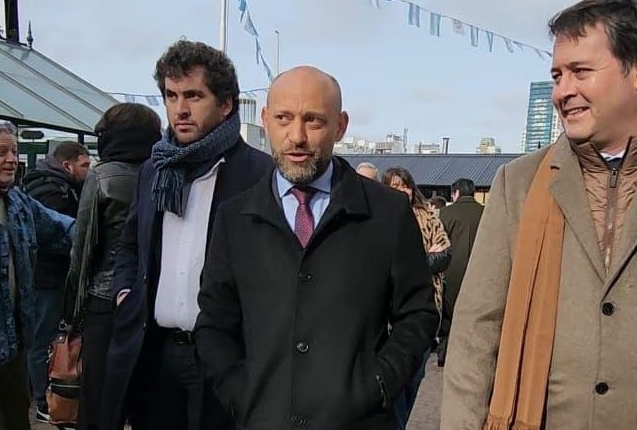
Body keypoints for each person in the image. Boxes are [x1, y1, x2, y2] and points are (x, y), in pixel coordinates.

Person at [441, 0, 637, 429]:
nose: (562, 91)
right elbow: (476, 330)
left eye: (580, 71)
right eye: (557, 75)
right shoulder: (520, 183)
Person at [194, 66, 438, 430]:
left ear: (340, 126)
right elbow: (214, 322)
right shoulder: (235, 218)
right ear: (265, 120)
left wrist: (378, 386)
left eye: (313, 120)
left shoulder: (387, 213)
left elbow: (418, 315)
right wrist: (239, 394)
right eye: (284, 118)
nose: (297, 136)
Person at [101, 41, 271, 430]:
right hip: (155, 350)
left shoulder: (259, 175)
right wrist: (125, 292)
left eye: (194, 96)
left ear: (225, 104)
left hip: (226, 355)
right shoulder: (154, 169)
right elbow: (130, 245)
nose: (180, 108)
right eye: (171, 95)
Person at [63, 103, 162, 430]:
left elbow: (83, 250)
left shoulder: (102, 175)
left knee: (99, 403)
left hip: (105, 302)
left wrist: (72, 315)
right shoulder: (163, 172)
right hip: (151, 302)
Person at [0, 121, 74, 430]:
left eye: (14, 151)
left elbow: (62, 228)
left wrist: (103, 229)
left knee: (16, 416)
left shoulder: (18, 202)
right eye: (2, 152)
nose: (11, 160)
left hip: (13, 342)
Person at [21, 140, 89, 422]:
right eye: (84, 165)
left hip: (50, 277)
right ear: (67, 165)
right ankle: (42, 400)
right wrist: (80, 244)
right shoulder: (52, 192)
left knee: (48, 338)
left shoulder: (58, 188)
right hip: (45, 279)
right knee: (42, 339)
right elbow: (50, 234)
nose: (88, 170)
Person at [381, 166, 450, 429]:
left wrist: (416, 262)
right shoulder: (378, 218)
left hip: (424, 310)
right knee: (393, 387)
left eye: (405, 185)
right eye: (394, 186)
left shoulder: (428, 217)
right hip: (387, 318)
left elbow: (445, 255)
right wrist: (423, 258)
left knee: (414, 380)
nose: (401, 191)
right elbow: (379, 265)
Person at [436, 178, 483, 367]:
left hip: (451, 271)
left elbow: (439, 242)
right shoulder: (486, 213)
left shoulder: (445, 213)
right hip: (479, 270)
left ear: (455, 193)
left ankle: (445, 353)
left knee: (449, 315)